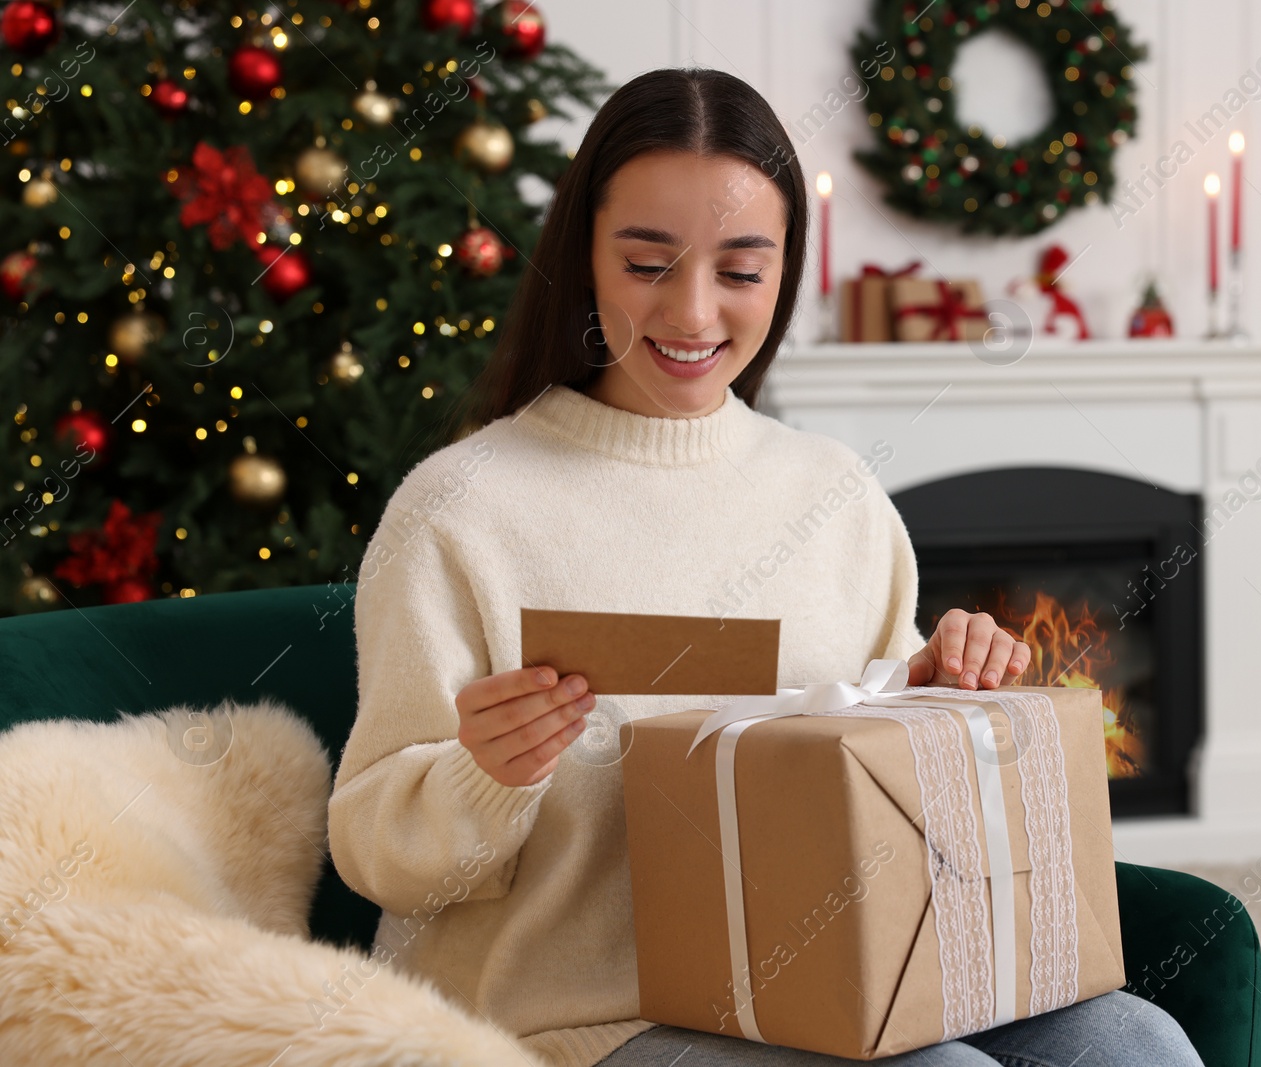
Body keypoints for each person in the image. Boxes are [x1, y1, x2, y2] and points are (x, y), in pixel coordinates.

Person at [327, 67, 1202, 1067]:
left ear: (784, 270)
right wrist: (486, 774)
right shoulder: (461, 508)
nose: (694, 314)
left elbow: (877, 773)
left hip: (834, 976)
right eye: (648, 263)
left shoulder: (835, 493)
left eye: (740, 271)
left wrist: (937, 691)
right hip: (581, 1016)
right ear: (582, 261)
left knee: (1140, 1042)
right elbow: (373, 852)